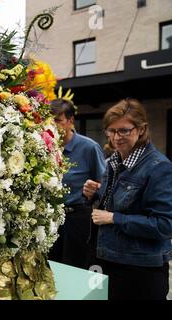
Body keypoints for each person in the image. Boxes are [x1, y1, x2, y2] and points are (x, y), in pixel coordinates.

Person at [83, 98, 172, 300]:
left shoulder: (159, 167)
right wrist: (95, 194)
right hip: (106, 259)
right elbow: (122, 202)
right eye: (111, 130)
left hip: (138, 270)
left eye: (124, 130)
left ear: (141, 129)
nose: (116, 137)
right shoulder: (114, 160)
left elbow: (165, 225)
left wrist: (114, 218)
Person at [48, 98, 106, 269]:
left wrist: (94, 189)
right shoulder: (45, 147)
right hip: (51, 219)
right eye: (48, 121)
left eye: (57, 120)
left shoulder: (89, 147)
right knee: (50, 268)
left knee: (74, 269)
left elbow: (103, 184)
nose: (52, 125)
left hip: (78, 218)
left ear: (71, 121)